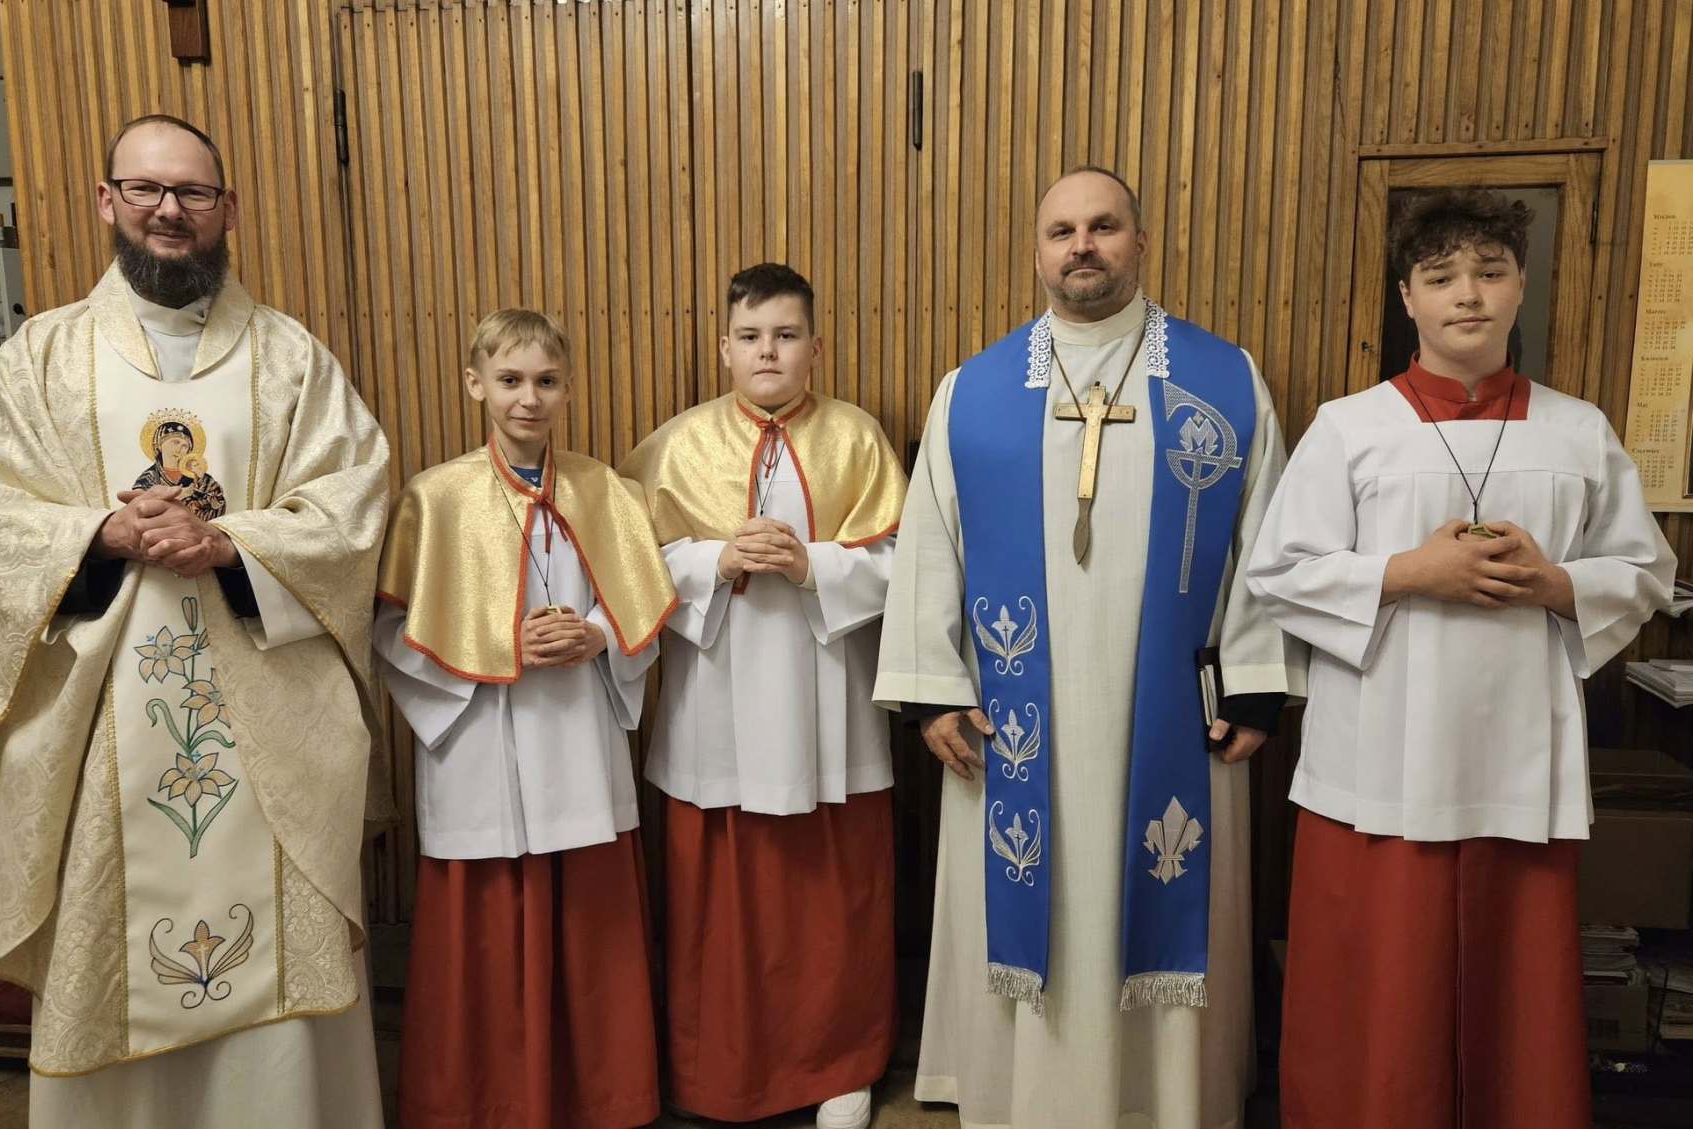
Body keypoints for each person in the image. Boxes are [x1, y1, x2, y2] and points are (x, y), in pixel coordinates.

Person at [0, 114, 392, 1128]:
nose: (169, 210)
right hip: (103, 730)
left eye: (193, 192)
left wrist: (230, 544)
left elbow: (351, 506)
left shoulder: (290, 361)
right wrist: (98, 531)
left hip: (266, 725)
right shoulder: (44, 358)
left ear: (230, 210)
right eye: (146, 188)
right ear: (107, 200)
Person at [874, 166, 1300, 1128]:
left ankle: (1165, 1099)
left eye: (1103, 226)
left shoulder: (1221, 381)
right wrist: (932, 689)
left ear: (1140, 243)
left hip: (1176, 720)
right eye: (1062, 230)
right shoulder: (974, 391)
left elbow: (1265, 542)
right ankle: (1018, 1096)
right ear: (1037, 251)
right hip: (1014, 722)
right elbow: (930, 545)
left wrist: (1256, 684)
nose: (1082, 246)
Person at [1248, 187, 1678, 1129]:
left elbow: (1646, 570)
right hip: (1380, 759)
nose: (1468, 295)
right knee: (1381, 994)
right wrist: (1412, 571)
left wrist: (1554, 582)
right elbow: (1276, 572)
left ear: (1521, 286)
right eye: (1441, 277)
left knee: (1511, 995)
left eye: (1490, 272)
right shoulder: (1349, 427)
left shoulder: (1577, 430)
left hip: (1515, 760)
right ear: (1408, 297)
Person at [618, 263, 907, 1129]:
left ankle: (840, 1066)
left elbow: (909, 564)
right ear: (725, 347)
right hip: (717, 705)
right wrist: (715, 559)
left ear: (817, 346)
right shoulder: (675, 446)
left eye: (785, 335)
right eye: (750, 337)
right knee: (718, 898)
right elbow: (628, 566)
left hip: (830, 708)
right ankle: (719, 1068)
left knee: (833, 897)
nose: (768, 352)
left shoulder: (858, 440)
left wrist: (814, 565)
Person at [376, 308, 678, 1129]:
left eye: (546, 381)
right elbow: (391, 631)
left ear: (568, 387)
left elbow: (644, 618)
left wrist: (597, 636)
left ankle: (604, 1099)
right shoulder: (434, 498)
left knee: (591, 927)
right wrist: (499, 645)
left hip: (578, 736)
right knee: (484, 931)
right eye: (509, 380)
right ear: (475, 383)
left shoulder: (605, 491)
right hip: (482, 745)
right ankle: (479, 1105)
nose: (528, 398)